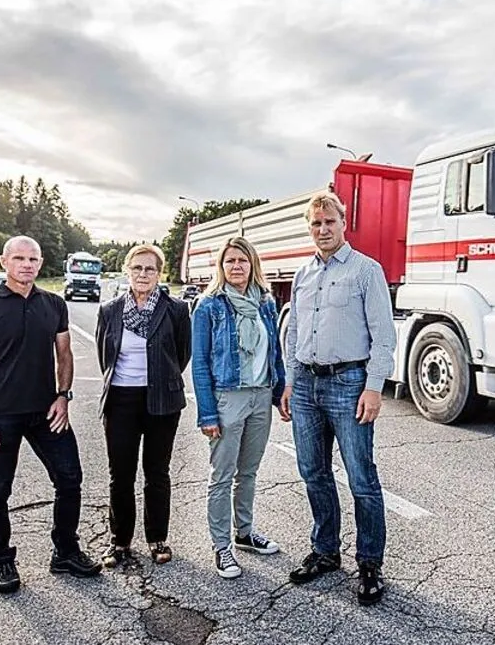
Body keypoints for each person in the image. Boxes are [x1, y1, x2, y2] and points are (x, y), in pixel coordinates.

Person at [0, 235, 100, 594]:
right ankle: (3, 560)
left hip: (46, 412)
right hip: (2, 415)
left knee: (70, 479)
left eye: (33, 259)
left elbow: (65, 355)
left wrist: (63, 396)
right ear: (3, 262)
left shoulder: (54, 304)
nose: (27, 264)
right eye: (19, 258)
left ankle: (65, 551)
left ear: (41, 264)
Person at [281, 193, 397, 606]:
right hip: (308, 385)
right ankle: (326, 551)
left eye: (329, 221)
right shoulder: (302, 274)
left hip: (349, 383)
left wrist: (373, 386)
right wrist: (291, 381)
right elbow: (294, 332)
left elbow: (384, 335)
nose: (323, 229)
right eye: (315, 224)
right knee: (313, 472)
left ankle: (369, 564)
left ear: (343, 222)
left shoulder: (367, 271)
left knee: (362, 480)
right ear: (309, 228)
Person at [191, 237, 287, 579]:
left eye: (242, 261)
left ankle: (244, 533)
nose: (236, 266)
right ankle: (222, 547)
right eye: (230, 260)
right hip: (227, 398)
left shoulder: (265, 303)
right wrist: (207, 413)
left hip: (260, 395)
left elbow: (274, 351)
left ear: (252, 265)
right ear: (221, 265)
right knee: (222, 476)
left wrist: (280, 392)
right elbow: (200, 363)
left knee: (248, 472)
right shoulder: (209, 306)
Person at [95, 244, 191, 568]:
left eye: (150, 269)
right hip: (120, 400)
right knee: (120, 474)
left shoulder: (176, 309)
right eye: (137, 268)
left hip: (161, 401)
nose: (143, 274)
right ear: (127, 270)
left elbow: (182, 355)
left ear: (159, 273)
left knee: (157, 472)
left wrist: (161, 380)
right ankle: (119, 542)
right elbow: (104, 356)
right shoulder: (110, 310)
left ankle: (157, 538)